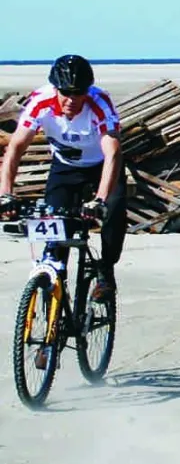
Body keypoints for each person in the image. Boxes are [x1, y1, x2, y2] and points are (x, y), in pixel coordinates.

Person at [0, 54, 126, 302]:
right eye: (65, 92)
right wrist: (6, 193)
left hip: (101, 166)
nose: (71, 99)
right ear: (55, 88)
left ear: (86, 91)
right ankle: (55, 285)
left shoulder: (100, 103)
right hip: (66, 167)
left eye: (77, 93)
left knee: (113, 211)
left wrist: (100, 200)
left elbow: (113, 153)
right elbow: (15, 148)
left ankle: (105, 270)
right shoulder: (41, 101)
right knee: (55, 223)